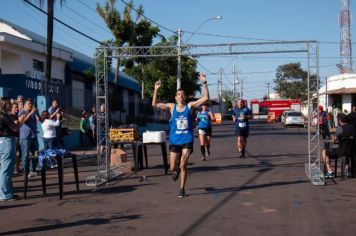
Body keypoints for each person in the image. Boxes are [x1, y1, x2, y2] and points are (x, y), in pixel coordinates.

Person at [152, 73, 209, 198]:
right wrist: (156, 89)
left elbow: (205, 98)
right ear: (175, 97)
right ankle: (176, 170)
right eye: (178, 94)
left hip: (187, 140)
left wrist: (204, 83)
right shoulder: (172, 107)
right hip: (174, 141)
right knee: (172, 167)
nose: (181, 96)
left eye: (182, 94)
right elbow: (154, 103)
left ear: (185, 97)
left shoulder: (190, 106)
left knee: (183, 164)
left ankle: (182, 189)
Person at [0, 97, 22, 201]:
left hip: (6, 141)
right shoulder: (3, 116)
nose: (11, 105)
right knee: (6, 169)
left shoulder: (5, 115)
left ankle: (8, 193)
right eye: (9, 103)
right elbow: (14, 128)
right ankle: (5, 194)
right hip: (7, 141)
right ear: (5, 104)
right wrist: (21, 121)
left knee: (7, 169)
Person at [18, 98, 40, 177]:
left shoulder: (33, 112)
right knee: (25, 155)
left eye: (31, 104)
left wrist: (37, 113)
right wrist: (31, 113)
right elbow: (23, 121)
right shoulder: (22, 112)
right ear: (24, 105)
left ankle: (32, 170)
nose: (30, 105)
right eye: (29, 104)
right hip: (25, 137)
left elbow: (40, 120)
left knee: (36, 154)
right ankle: (25, 172)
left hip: (33, 136)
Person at [9, 103, 21, 174]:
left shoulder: (17, 116)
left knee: (17, 153)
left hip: (18, 136)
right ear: (11, 108)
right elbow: (15, 125)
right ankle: (12, 169)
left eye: (17, 107)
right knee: (13, 153)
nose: (16, 109)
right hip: (13, 137)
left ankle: (17, 168)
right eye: (15, 107)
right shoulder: (10, 116)